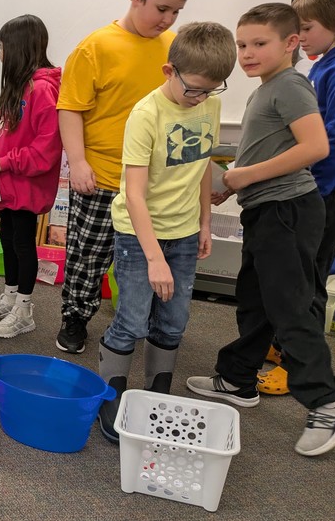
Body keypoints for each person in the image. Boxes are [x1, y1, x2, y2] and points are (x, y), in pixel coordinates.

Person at [187, 3, 335, 457]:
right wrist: (234, 182)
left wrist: (244, 176)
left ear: (289, 43)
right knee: (255, 298)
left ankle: (328, 400)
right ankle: (238, 378)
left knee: (288, 307)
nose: (246, 53)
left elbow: (316, 146)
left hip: (289, 209)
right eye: (242, 44)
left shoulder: (289, 85)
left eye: (259, 44)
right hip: (266, 209)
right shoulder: (265, 90)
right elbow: (266, 147)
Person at [94, 22, 236, 443]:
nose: (201, 98)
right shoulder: (146, 114)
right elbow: (133, 196)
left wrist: (204, 223)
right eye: (193, 89)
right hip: (139, 234)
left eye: (211, 90)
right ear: (167, 71)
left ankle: (157, 398)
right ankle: (111, 397)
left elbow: (201, 168)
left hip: (185, 231)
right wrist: (154, 257)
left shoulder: (207, 106)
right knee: (133, 320)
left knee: (173, 322)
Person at [55, 0, 193, 355]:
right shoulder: (95, 47)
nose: (167, 19)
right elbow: (70, 108)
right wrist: (78, 162)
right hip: (101, 175)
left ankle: (144, 323)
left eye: (176, 11)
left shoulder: (176, 47)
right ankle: (76, 317)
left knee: (147, 256)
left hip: (154, 180)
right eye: (161, 8)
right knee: (89, 253)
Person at [258, 0, 335, 395]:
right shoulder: (330, 64)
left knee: (307, 278)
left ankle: (300, 365)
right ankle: (286, 345)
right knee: (297, 272)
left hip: (332, 190)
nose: (298, 36)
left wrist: (310, 193)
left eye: (306, 28)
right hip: (323, 188)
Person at [0, 14, 63, 338]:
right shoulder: (14, 89)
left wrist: (3, 163)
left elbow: (46, 149)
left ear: (17, 48)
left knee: (23, 243)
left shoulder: (41, 91)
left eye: (2, 46)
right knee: (7, 239)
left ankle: (24, 310)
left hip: (25, 185)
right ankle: (10, 297)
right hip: (6, 185)